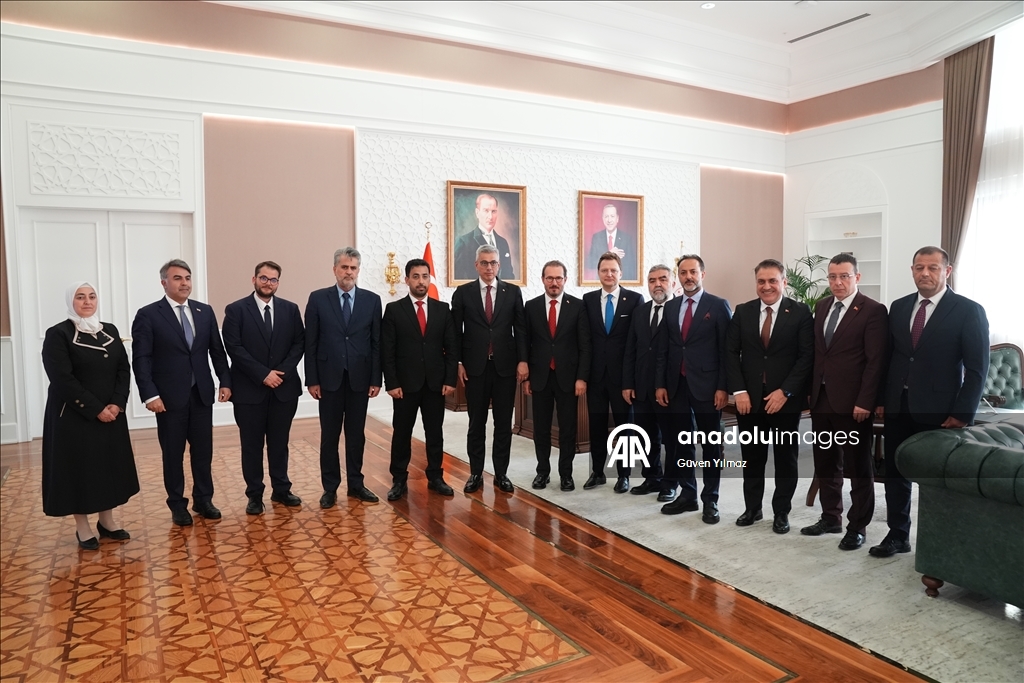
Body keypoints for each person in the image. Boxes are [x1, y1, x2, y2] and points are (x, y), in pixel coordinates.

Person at [871, 246, 989, 558]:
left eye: (933, 268)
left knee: (937, 479)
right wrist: (882, 399)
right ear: (912, 270)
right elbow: (890, 358)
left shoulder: (968, 310)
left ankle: (941, 542)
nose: (925, 273)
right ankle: (897, 535)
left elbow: (977, 369)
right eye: (919, 267)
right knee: (895, 473)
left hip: (941, 412)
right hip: (898, 405)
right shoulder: (899, 307)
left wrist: (962, 413)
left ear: (947, 271)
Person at [132, 259, 232, 527]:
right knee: (173, 454)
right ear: (164, 282)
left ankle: (203, 499)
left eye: (187, 278)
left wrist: (225, 380)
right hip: (168, 398)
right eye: (177, 278)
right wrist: (150, 394)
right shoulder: (148, 314)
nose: (184, 283)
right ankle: (177, 504)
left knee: (203, 452)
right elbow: (142, 358)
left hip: (201, 394)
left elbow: (217, 351)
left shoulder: (204, 311)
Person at [42, 283, 140, 549]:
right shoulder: (58, 334)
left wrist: (117, 403)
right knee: (81, 470)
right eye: (80, 297)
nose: (87, 301)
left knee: (108, 466)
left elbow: (123, 369)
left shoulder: (110, 330)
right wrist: (96, 408)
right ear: (70, 301)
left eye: (92, 296)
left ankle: (107, 522)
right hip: (75, 417)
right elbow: (62, 379)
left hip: (111, 413)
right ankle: (83, 527)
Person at [801, 253, 887, 550]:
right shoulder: (823, 306)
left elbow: (876, 361)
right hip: (822, 399)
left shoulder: (873, 310)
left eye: (844, 276)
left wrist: (866, 401)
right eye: (833, 277)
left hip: (854, 404)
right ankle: (830, 517)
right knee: (826, 462)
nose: (837, 282)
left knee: (858, 467)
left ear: (857, 277)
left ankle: (858, 526)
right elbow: (819, 353)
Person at [726, 259, 813, 534]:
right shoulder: (743, 311)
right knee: (752, 456)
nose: (767, 286)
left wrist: (785, 391)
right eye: (761, 281)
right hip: (749, 400)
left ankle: (781, 512)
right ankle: (752, 508)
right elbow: (730, 352)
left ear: (783, 282)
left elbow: (806, 357)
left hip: (785, 400)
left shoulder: (800, 312)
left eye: (772, 281)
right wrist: (739, 391)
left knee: (786, 457)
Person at [222, 261, 305, 515]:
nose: (268, 283)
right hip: (249, 391)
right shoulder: (236, 310)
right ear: (254, 279)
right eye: (264, 278)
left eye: (273, 279)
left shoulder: (290, 309)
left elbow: (299, 344)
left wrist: (280, 373)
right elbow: (234, 347)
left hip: (283, 389)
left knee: (280, 443)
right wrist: (263, 375)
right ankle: (254, 495)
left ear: (278, 282)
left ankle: (281, 489)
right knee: (251, 445)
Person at [655, 255, 731, 523]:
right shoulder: (671, 306)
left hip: (708, 388)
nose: (688, 277)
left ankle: (711, 499)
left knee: (710, 445)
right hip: (677, 385)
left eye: (693, 272)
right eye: (684, 272)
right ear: (679, 276)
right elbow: (664, 349)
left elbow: (727, 351)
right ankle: (688, 495)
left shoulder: (718, 305)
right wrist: (660, 384)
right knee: (681, 443)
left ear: (702, 274)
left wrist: (723, 387)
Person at [305, 247, 383, 507]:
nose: (349, 272)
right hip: (328, 380)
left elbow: (376, 343)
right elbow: (310, 343)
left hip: (360, 379)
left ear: (358, 271)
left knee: (356, 435)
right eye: (344, 267)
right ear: (334, 269)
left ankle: (356, 484)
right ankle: (330, 488)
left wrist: (376, 379)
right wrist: (312, 380)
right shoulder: (318, 298)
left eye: (353, 268)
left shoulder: (372, 300)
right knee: (329, 436)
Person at [451, 244, 528, 493]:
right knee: (476, 424)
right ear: (476, 265)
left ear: (499, 265)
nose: (489, 267)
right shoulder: (463, 293)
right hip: (475, 368)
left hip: (505, 367)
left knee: (503, 424)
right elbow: (455, 332)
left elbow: (521, 330)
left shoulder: (512, 292)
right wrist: (458, 363)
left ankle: (501, 473)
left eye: (493, 262)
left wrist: (523, 360)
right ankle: (475, 473)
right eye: (484, 263)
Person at [381, 259, 459, 501]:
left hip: (435, 384)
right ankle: (399, 479)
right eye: (415, 276)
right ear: (407, 280)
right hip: (405, 386)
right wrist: (392, 383)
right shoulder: (394, 310)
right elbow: (387, 351)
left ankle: (436, 476)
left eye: (425, 276)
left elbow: (452, 348)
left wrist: (450, 379)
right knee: (402, 433)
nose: (421, 281)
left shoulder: (442, 309)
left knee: (434, 432)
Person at [523, 260, 590, 491]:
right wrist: (528, 377)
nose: (554, 282)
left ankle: (566, 474)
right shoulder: (531, 306)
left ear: (565, 280)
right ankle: (542, 472)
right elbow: (526, 343)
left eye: (558, 278)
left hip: (568, 379)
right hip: (540, 377)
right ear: (543, 279)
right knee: (541, 429)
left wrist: (581, 377)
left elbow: (585, 345)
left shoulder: (578, 306)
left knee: (568, 429)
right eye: (550, 278)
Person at [582, 251, 644, 492]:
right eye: (604, 270)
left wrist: (631, 380)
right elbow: (586, 341)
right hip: (596, 376)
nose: (609, 274)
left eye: (613, 270)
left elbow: (636, 342)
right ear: (598, 273)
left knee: (625, 427)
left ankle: (624, 475)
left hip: (622, 378)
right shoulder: (588, 300)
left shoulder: (634, 300)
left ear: (621, 273)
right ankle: (597, 472)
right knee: (596, 426)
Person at [622, 264, 675, 498]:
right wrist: (627, 383)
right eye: (652, 280)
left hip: (670, 388)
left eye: (662, 279)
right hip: (642, 386)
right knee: (646, 437)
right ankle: (652, 477)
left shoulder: (679, 310)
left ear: (672, 282)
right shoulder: (640, 311)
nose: (657, 284)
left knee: (671, 439)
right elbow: (631, 349)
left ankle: (670, 483)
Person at [453, 193, 516, 281]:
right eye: (486, 211)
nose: (490, 216)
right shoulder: (463, 242)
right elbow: (458, 277)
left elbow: (509, 276)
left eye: (493, 211)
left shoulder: (503, 242)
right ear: (477, 213)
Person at [587, 204, 637, 281]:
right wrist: (609, 253)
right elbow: (590, 263)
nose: (609, 220)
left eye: (612, 216)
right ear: (603, 219)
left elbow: (631, 266)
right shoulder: (596, 237)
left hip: (621, 282)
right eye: (606, 216)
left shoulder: (626, 238)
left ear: (617, 219)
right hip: (601, 282)